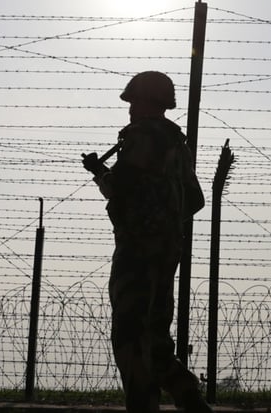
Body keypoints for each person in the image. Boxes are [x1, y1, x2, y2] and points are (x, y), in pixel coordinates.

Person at [82, 71, 209, 413]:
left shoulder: (138, 137)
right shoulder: (176, 143)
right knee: (154, 340)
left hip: (137, 249)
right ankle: (191, 401)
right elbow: (195, 199)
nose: (130, 108)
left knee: (129, 338)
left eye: (134, 100)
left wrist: (99, 173)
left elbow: (120, 189)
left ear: (148, 101)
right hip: (168, 249)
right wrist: (164, 220)